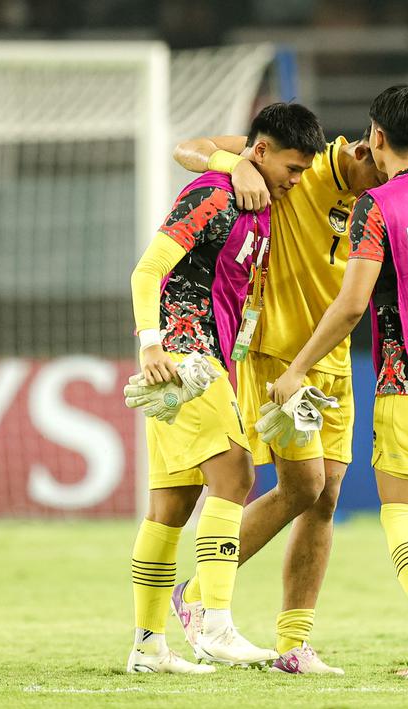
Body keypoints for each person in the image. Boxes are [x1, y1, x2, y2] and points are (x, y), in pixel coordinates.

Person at [271, 85, 408, 679]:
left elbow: (350, 305)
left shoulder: (377, 205)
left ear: (376, 136)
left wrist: (296, 368)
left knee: (400, 514)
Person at [168, 125, 385, 674]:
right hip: (280, 357)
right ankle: (198, 594)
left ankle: (294, 645)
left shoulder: (384, 192)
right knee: (303, 485)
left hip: (333, 358)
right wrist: (236, 164)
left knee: (325, 496)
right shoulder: (301, 165)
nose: (392, 181)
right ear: (368, 147)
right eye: (385, 170)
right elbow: (187, 148)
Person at [125, 102, 324, 674]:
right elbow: (147, 270)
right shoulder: (214, 195)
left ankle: (147, 646)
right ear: (259, 152)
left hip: (207, 359)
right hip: (185, 356)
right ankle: (214, 624)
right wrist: (151, 345)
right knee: (235, 475)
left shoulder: (258, 202)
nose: (296, 181)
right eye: (291, 168)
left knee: (171, 505)